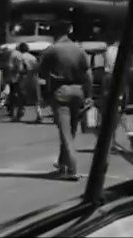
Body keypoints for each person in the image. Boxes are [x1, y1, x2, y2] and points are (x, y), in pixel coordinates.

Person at [39, 20, 93, 181]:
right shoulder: (79, 50)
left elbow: (41, 76)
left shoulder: (51, 51)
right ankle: (63, 163)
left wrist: (44, 97)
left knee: (65, 134)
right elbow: (88, 75)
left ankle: (72, 169)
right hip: (78, 92)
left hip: (61, 93)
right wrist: (89, 95)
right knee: (72, 130)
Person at [10, 43, 41, 123]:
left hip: (24, 77)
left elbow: (19, 68)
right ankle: (39, 115)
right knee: (36, 98)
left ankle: (19, 115)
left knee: (21, 97)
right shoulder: (33, 57)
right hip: (33, 77)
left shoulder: (20, 57)